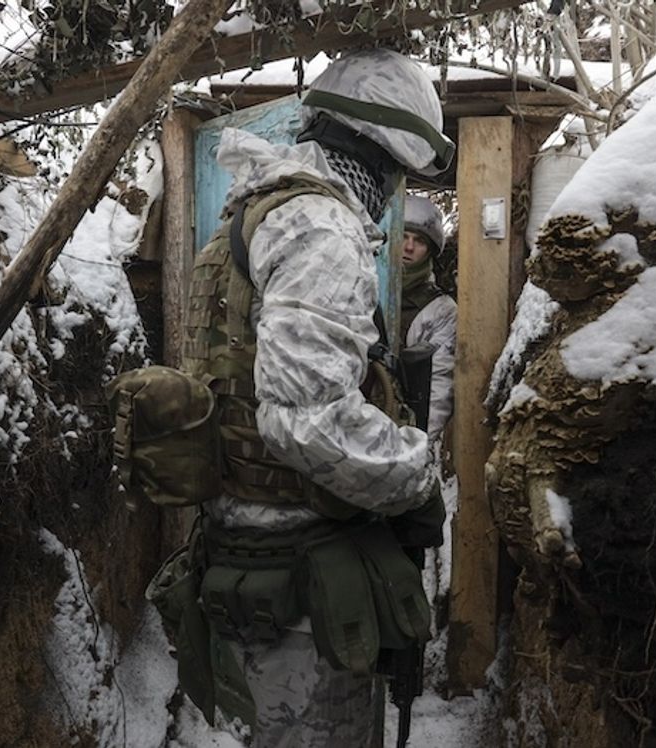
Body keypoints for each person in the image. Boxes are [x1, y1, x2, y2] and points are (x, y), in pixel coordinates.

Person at [177, 48, 454, 747]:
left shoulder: (251, 212)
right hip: (298, 575)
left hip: (246, 554)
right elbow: (307, 420)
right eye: (398, 173)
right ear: (386, 156)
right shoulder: (318, 227)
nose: (394, 190)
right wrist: (415, 475)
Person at [400, 194, 457, 443]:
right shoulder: (362, 285)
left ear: (430, 251)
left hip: (402, 427)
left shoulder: (440, 310)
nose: (409, 247)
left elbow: (438, 387)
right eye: (402, 236)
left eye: (419, 241)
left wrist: (421, 446)